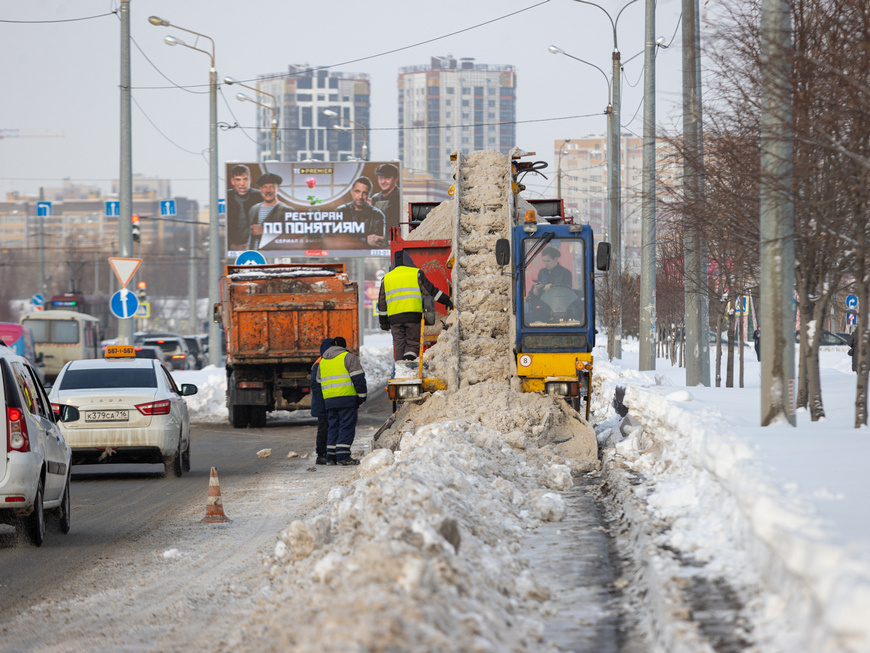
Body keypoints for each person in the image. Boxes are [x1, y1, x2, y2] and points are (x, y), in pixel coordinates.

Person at [378, 250, 453, 361]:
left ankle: (400, 367)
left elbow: (382, 304)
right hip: (413, 317)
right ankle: (408, 362)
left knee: (399, 344)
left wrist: (384, 322)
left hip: (394, 319)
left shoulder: (386, 278)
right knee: (412, 344)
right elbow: (431, 291)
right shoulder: (416, 273)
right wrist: (446, 301)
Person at [316, 336, 367, 465]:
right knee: (346, 426)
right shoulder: (348, 357)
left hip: (330, 400)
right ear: (343, 346)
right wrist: (362, 396)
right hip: (347, 398)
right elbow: (358, 378)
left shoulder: (323, 361)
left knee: (333, 426)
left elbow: (319, 380)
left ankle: (331, 456)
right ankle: (343, 456)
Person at [336, 176, 386, 248]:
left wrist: (352, 239)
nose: (360, 196)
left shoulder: (377, 215)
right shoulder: (341, 211)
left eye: (365, 193)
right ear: (351, 191)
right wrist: (365, 240)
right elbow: (338, 240)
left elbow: (377, 242)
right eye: (357, 191)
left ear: (369, 194)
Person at [247, 172, 290, 250]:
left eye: (272, 187)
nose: (268, 190)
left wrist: (264, 231)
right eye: (264, 187)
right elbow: (250, 236)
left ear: (278, 188)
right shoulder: (254, 209)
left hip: (275, 253)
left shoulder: (286, 210)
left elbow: (290, 238)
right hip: (255, 254)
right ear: (260, 189)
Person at [227, 164, 263, 252]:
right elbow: (220, 226)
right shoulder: (226, 196)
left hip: (257, 247)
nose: (242, 184)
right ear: (232, 181)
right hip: (232, 248)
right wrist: (232, 245)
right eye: (238, 179)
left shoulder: (260, 196)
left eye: (245, 179)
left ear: (250, 180)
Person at [309, 338, 334, 465]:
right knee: (324, 429)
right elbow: (315, 385)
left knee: (329, 428)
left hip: (327, 401)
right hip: (323, 403)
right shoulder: (320, 363)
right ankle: (321, 454)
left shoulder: (322, 361)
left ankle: (328, 453)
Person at [370, 163, 401, 229]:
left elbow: (390, 219)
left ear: (396, 178)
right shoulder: (375, 198)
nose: (383, 181)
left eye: (387, 178)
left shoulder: (399, 196)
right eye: (380, 178)